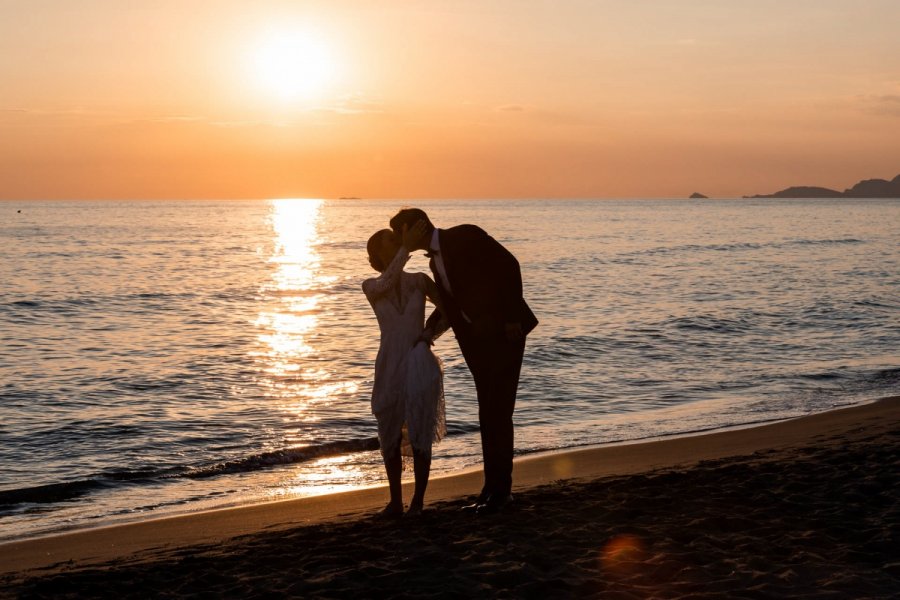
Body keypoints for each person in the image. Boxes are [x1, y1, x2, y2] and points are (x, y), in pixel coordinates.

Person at [390, 208, 537, 515]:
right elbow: (451, 306)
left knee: (499, 411)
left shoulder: (464, 235)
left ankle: (502, 493)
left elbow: (509, 266)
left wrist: (511, 318)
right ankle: (490, 488)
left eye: (399, 232)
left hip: (505, 335)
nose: (398, 240)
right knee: (487, 412)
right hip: (476, 343)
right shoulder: (433, 261)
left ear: (414, 227)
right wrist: (429, 332)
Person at [363, 222, 448, 518]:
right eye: (391, 240)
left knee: (420, 433)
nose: (397, 241)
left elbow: (448, 309)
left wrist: (428, 335)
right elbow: (387, 282)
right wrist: (405, 250)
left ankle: (418, 503)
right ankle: (396, 501)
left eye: (397, 240)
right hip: (389, 364)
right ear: (379, 252)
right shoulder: (371, 286)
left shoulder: (420, 281)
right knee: (390, 433)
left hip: (417, 362)